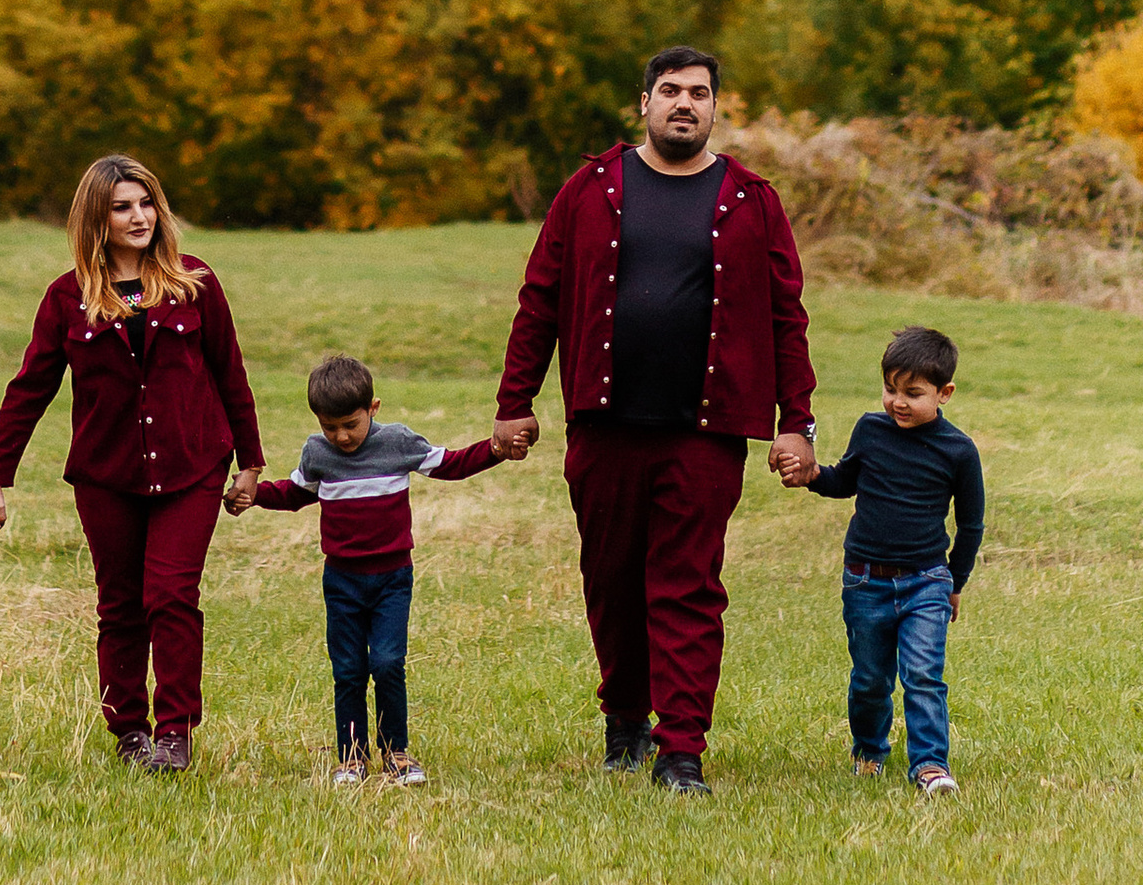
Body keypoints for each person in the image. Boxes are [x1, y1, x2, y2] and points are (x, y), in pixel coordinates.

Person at [494, 44, 815, 800]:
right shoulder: (590, 189)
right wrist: (516, 402)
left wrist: (796, 420)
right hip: (604, 426)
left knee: (687, 585)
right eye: (670, 90)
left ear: (714, 108)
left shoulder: (751, 199)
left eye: (699, 93)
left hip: (704, 432)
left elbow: (785, 314)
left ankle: (681, 751)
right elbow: (539, 298)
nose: (684, 104)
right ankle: (624, 720)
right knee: (611, 581)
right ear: (643, 103)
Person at [0, 151, 262, 773]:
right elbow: (30, 389)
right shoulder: (66, 299)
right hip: (108, 476)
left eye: (146, 203)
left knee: (172, 593)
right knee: (120, 603)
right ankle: (129, 730)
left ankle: (175, 731)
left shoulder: (195, 283)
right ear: (95, 221)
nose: (139, 217)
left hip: (192, 465)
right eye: (122, 207)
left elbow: (230, 372)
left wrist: (250, 462)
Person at [254, 351, 527, 788]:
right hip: (341, 582)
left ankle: (396, 752)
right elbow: (294, 492)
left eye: (351, 424)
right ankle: (351, 756)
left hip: (392, 580)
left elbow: (451, 464)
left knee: (386, 662)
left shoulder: (398, 443)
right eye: (330, 427)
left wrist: (496, 451)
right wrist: (251, 495)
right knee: (346, 668)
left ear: (373, 409)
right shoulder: (317, 453)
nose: (341, 436)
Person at [788, 323, 984, 797]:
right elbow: (844, 480)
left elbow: (971, 525)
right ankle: (869, 751)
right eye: (890, 389)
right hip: (864, 580)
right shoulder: (871, 431)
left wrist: (954, 582)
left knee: (922, 675)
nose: (897, 402)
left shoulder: (958, 451)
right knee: (871, 679)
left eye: (913, 393)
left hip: (927, 581)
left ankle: (931, 765)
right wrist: (813, 475)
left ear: (945, 393)